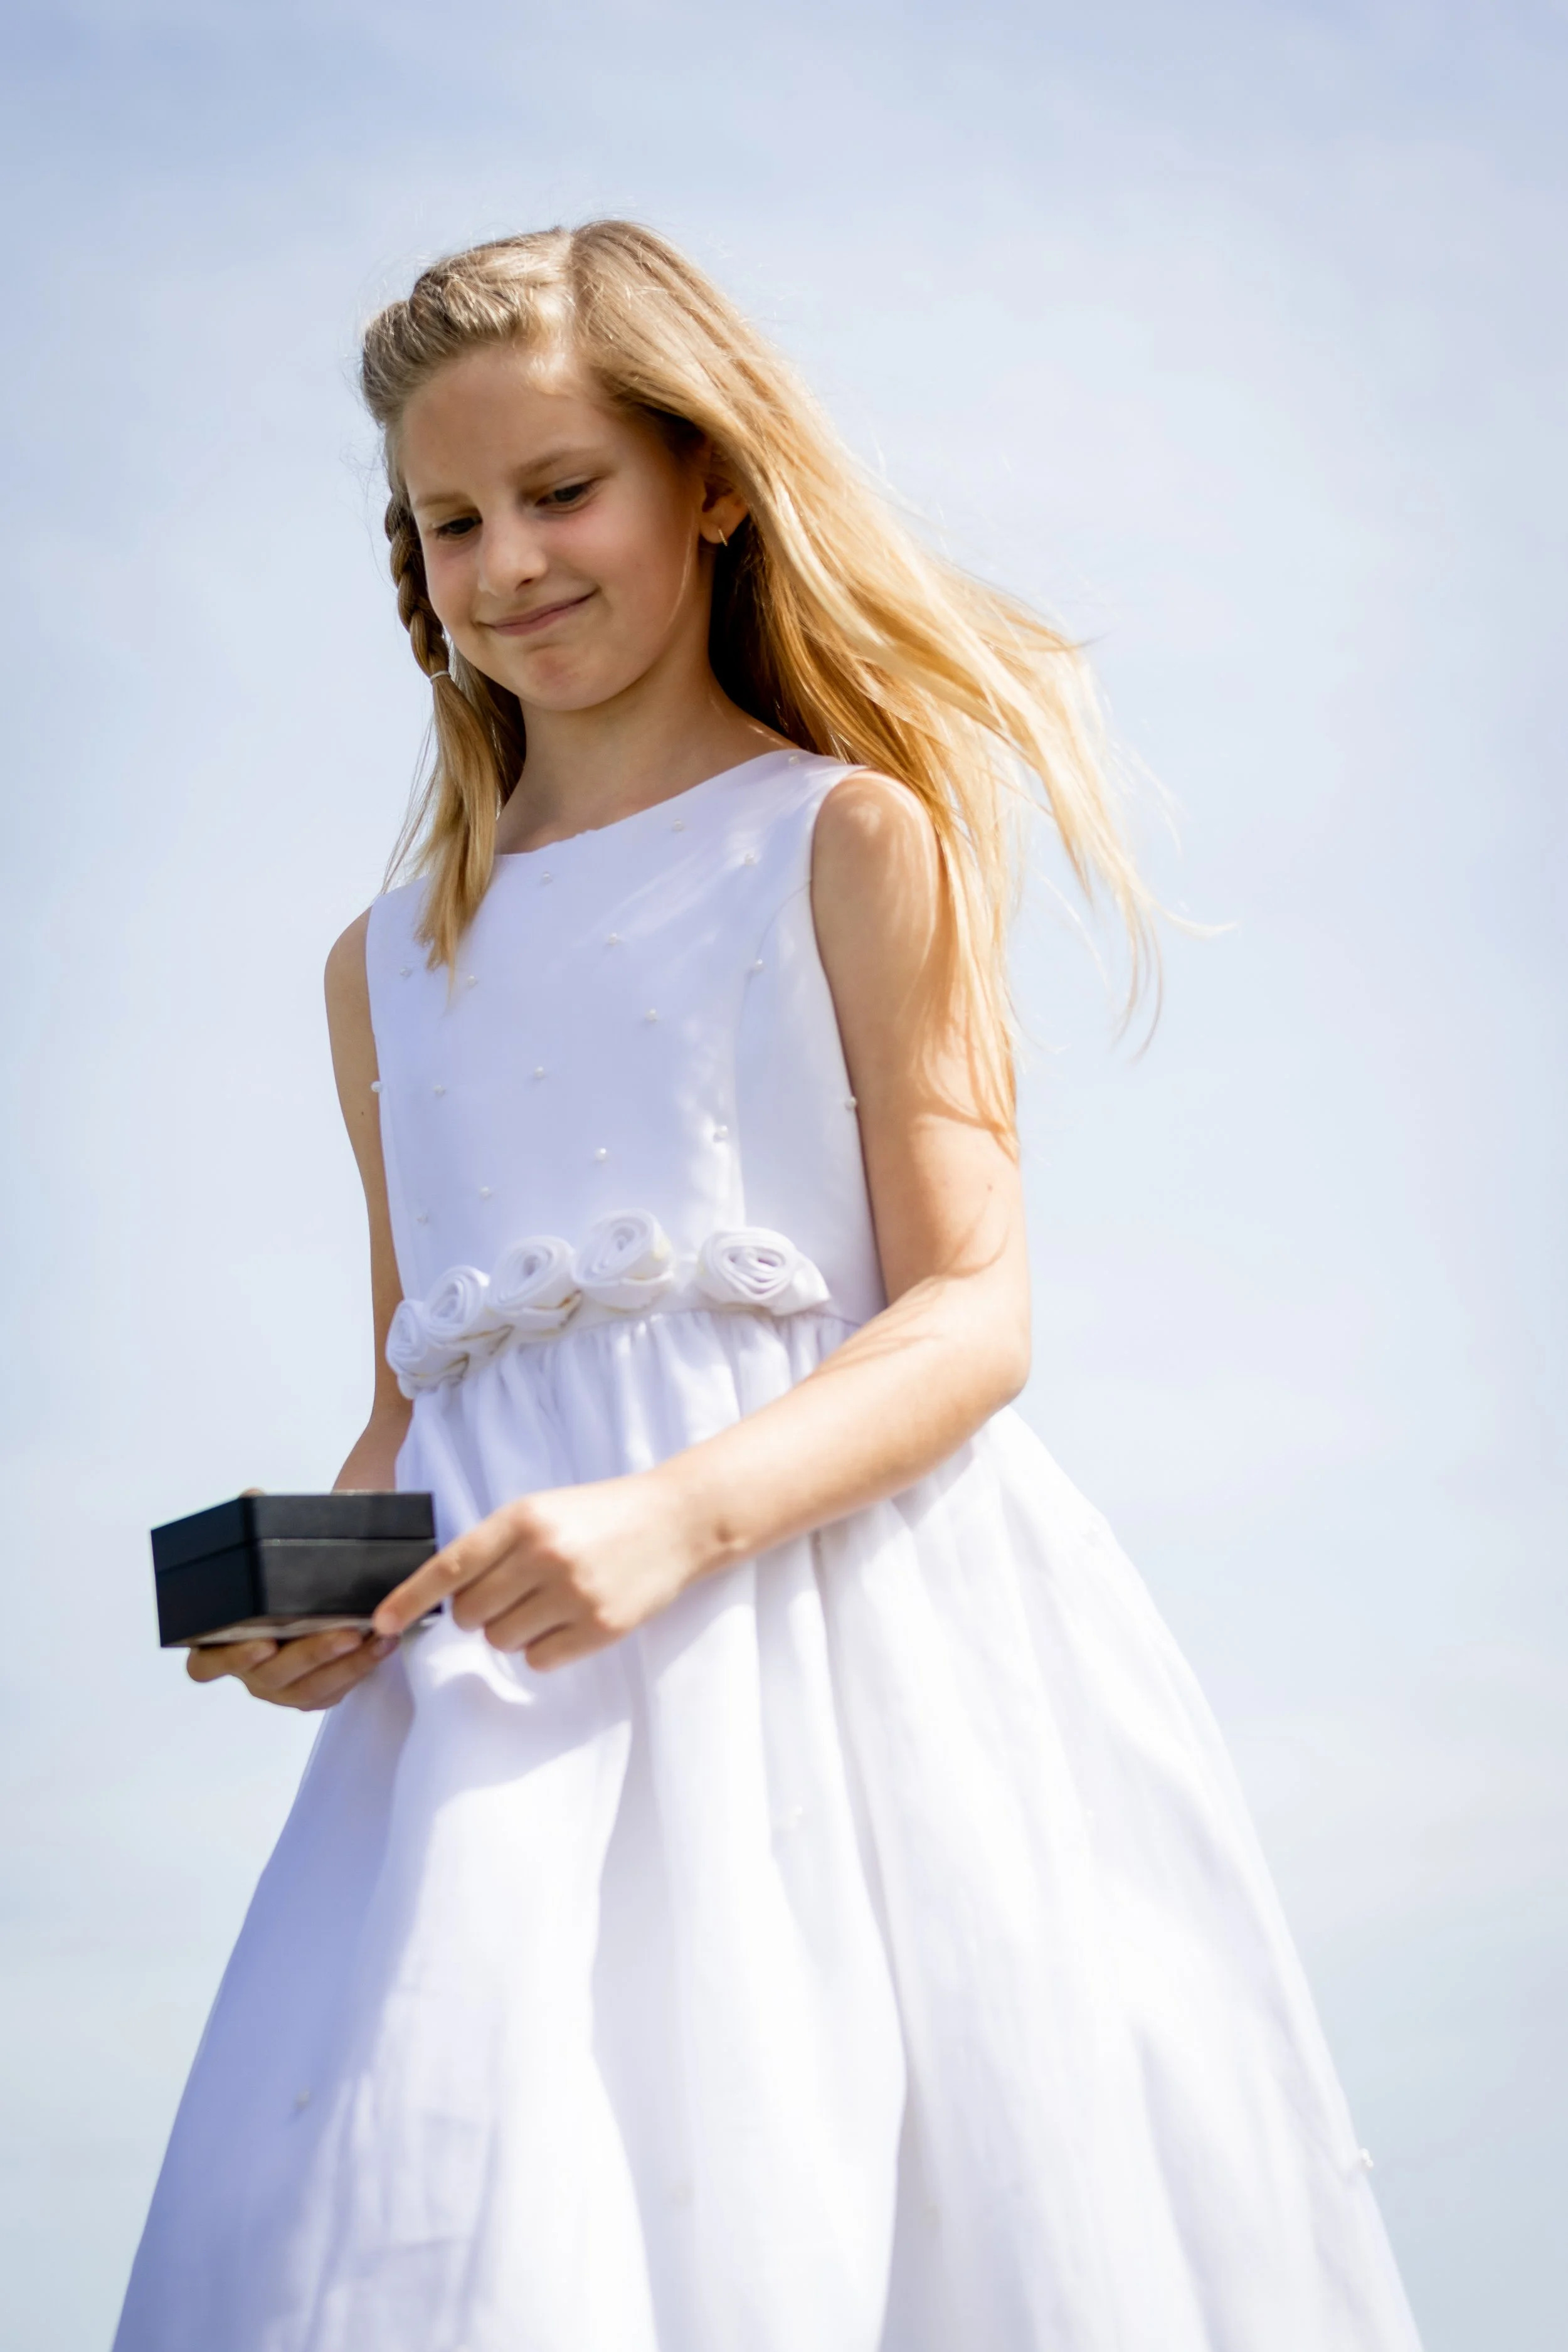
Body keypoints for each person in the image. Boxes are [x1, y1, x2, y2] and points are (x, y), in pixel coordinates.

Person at [114, 221, 1423, 2352]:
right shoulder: (382, 969)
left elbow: (970, 1309)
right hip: (498, 1732)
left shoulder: (852, 840)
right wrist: (335, 1596)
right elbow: (414, 1385)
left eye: (561, 492)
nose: (507, 561)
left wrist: (675, 1515)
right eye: (450, 521)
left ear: (706, 482)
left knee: (849, 2209)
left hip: (836, 1663)